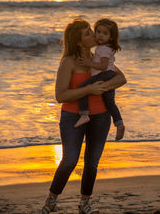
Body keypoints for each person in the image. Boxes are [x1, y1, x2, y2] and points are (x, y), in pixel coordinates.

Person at [39, 18, 127, 214]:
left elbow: (121, 78)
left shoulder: (99, 60)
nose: (94, 35)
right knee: (69, 160)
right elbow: (60, 95)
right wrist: (89, 89)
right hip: (73, 117)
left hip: (101, 116)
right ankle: (51, 200)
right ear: (79, 41)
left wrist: (102, 87)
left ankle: (84, 203)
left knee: (92, 163)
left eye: (92, 31)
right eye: (88, 33)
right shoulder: (68, 61)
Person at [74, 18, 125, 141]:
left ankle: (84, 114)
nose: (100, 35)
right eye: (98, 32)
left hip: (104, 75)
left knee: (83, 88)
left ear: (111, 37)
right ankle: (119, 123)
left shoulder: (103, 49)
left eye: (105, 33)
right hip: (109, 74)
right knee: (109, 102)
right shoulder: (105, 47)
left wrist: (88, 62)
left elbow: (102, 66)